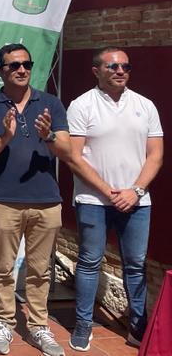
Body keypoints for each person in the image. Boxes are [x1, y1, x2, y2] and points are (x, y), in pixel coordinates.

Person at [0, 44, 70, 356]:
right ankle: (4, 322)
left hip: (47, 201)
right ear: (1, 70)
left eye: (27, 64)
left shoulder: (50, 104)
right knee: (3, 268)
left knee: (41, 270)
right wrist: (5, 138)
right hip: (5, 201)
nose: (22, 69)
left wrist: (49, 136)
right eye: (14, 65)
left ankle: (39, 327)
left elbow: (68, 152)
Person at [65, 47, 163, 351]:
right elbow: (73, 157)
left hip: (137, 201)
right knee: (89, 262)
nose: (120, 71)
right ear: (97, 71)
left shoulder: (145, 105)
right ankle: (83, 325)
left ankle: (137, 327)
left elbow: (156, 155)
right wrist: (109, 192)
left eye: (125, 67)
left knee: (135, 265)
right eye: (113, 67)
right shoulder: (82, 105)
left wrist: (135, 191)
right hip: (94, 200)